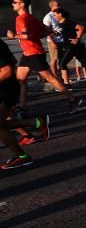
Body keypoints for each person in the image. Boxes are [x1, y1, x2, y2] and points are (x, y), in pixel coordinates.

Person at [8, 0, 82, 113]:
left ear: (22, 5)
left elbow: (26, 36)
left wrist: (13, 36)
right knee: (20, 80)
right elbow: (48, 30)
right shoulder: (31, 17)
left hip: (34, 53)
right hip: (27, 53)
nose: (12, 4)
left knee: (50, 78)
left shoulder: (21, 18)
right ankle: (22, 107)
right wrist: (35, 36)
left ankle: (73, 99)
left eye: (14, 2)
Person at [0, 39, 49, 170]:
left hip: (6, 89)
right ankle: (35, 122)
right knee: (2, 124)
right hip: (5, 88)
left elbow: (7, 70)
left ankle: (22, 157)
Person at [51, 8, 86, 89]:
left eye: (55, 15)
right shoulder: (61, 24)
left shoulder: (68, 22)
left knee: (61, 64)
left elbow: (81, 27)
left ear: (60, 14)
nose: (54, 17)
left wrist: (77, 39)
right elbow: (65, 33)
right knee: (84, 62)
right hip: (73, 46)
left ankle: (67, 85)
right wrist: (56, 34)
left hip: (71, 46)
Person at [41, 0, 61, 74]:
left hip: (61, 40)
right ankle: (55, 76)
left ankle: (62, 77)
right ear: (52, 6)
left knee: (62, 60)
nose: (59, 6)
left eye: (59, 4)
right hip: (54, 41)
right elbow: (45, 30)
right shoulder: (48, 17)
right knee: (54, 59)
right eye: (57, 4)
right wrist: (52, 42)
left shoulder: (60, 14)